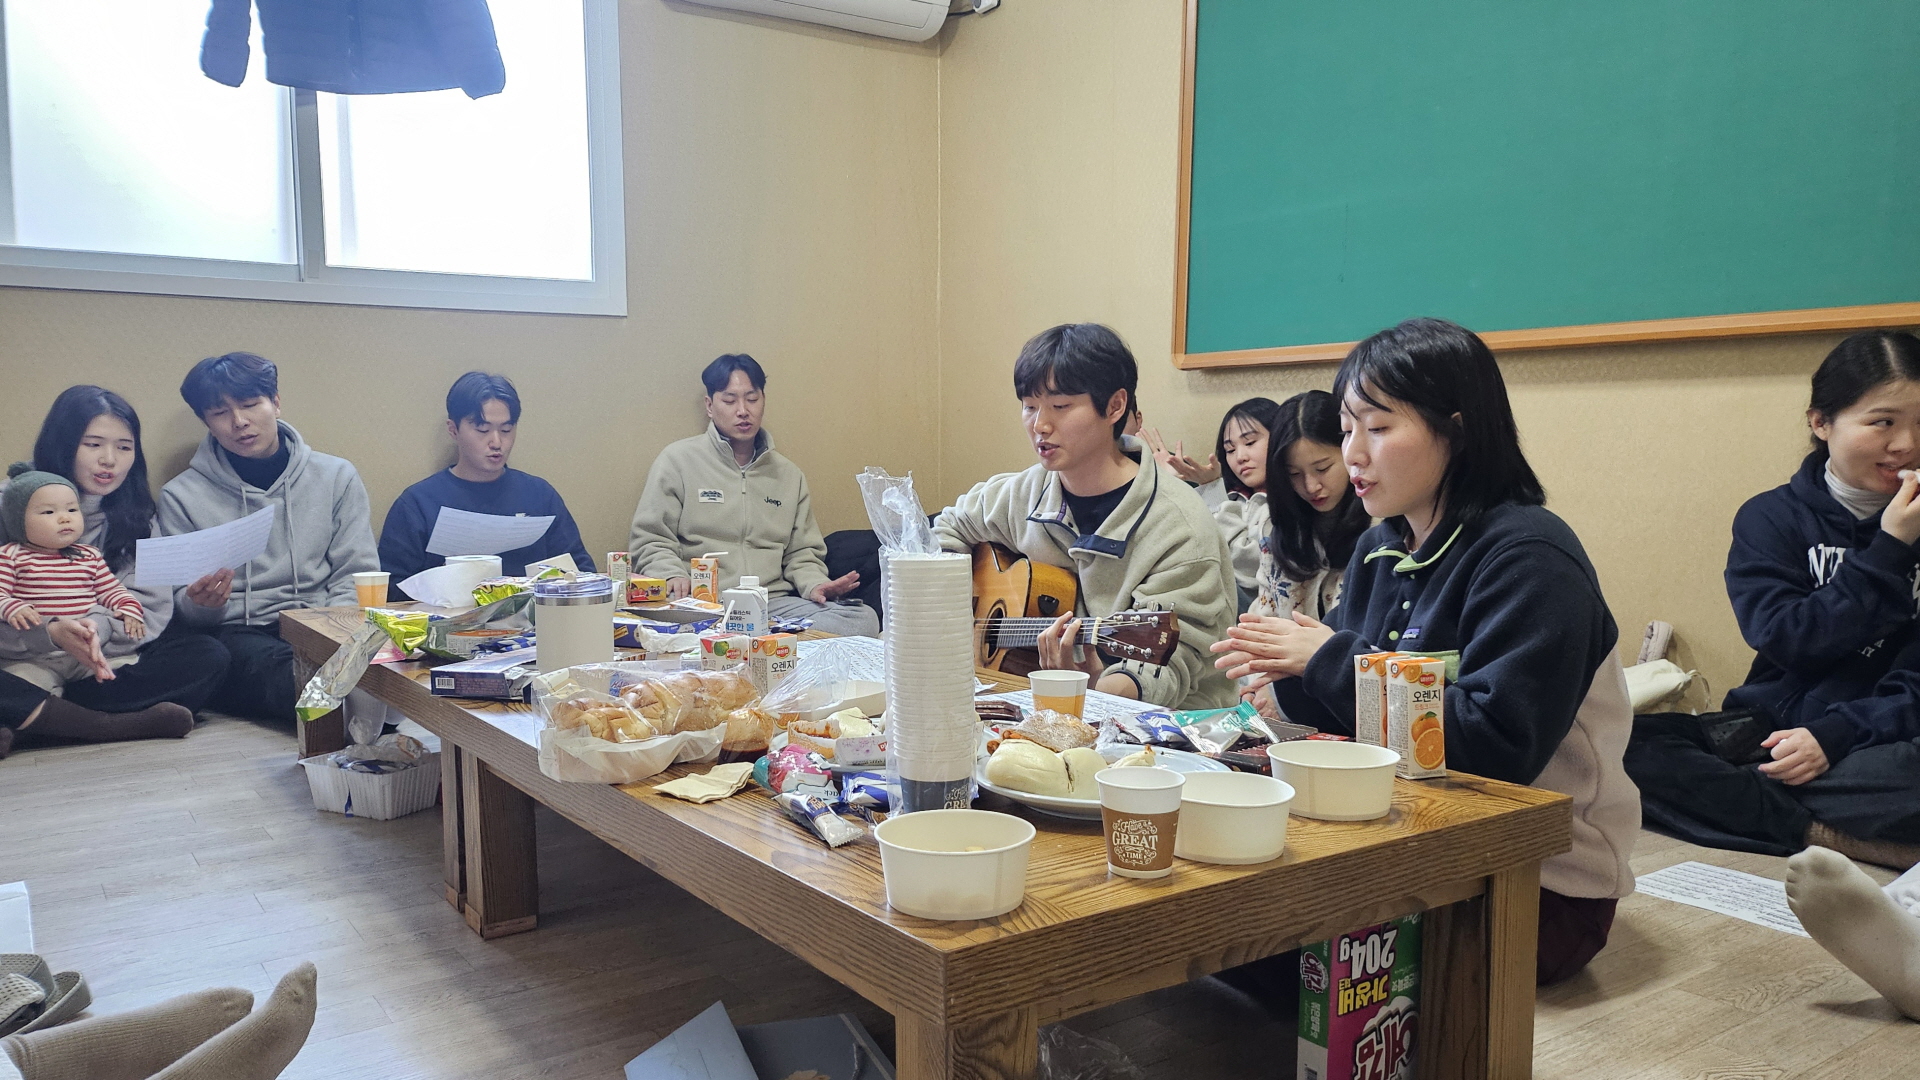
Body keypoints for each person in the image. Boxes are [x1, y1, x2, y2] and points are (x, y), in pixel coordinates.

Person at [1213, 318, 1638, 984]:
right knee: (1210, 890)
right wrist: (1287, 673)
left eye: (1378, 428)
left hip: (1536, 887)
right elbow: (1352, 709)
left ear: (1456, 430)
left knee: (1243, 946)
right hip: (1405, 842)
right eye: (1346, 429)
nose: (1354, 454)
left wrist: (1327, 660)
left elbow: (1495, 750)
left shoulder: (1531, 557)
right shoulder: (1381, 546)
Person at [1625, 330, 1920, 864]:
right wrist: (1889, 551)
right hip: (1773, 729)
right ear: (1821, 422)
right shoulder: (1772, 517)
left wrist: (1836, 735)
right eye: (1883, 422)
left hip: (1887, 735)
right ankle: (1821, 833)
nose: (1906, 445)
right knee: (1618, 746)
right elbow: (1786, 640)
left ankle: (1748, 802)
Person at [932, 323, 1237, 709]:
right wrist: (958, 616)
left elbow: (1169, 662)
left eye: (1060, 407)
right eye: (1029, 406)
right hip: (1036, 704)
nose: (1040, 425)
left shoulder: (1179, 526)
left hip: (1172, 726)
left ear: (1115, 406)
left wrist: (1092, 689)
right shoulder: (1023, 493)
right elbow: (948, 527)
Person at [0, 387, 230, 758]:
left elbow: (147, 608)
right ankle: (104, 725)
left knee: (207, 655)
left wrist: (94, 629)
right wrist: (51, 632)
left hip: (101, 665)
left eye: (124, 447)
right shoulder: (9, 505)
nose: (109, 460)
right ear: (62, 444)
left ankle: (29, 718)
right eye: (93, 445)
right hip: (18, 661)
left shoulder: (137, 514)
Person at [157, 352, 379, 724]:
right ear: (206, 422)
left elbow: (355, 573)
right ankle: (346, 712)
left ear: (275, 403)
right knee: (286, 676)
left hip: (321, 620)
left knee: (394, 658)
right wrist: (204, 604)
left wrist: (334, 634)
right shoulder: (181, 496)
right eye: (220, 413)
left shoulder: (335, 476)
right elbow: (180, 605)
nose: (239, 422)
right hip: (241, 631)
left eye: (250, 404)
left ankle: (357, 706)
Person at [628, 354, 878, 636]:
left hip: (772, 605)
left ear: (763, 401)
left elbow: (802, 553)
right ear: (710, 406)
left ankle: (750, 635)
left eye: (752, 399)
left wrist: (815, 585)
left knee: (863, 619)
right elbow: (651, 539)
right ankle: (762, 639)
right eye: (729, 400)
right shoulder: (678, 460)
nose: (743, 410)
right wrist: (671, 573)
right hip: (702, 603)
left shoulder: (788, 475)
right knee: (646, 621)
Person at [379, 372, 594, 597]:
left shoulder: (540, 496)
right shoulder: (418, 504)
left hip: (533, 618)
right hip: (445, 618)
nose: (497, 442)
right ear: (453, 430)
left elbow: (581, 574)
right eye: (483, 430)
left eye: (506, 430)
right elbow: (390, 591)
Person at [0, 466, 148, 669]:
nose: (65, 518)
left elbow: (110, 590)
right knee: (22, 679)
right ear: (17, 520)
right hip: (36, 657)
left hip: (89, 650)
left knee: (127, 668)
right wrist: (11, 607)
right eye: (49, 512)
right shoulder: (10, 556)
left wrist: (128, 607)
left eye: (72, 510)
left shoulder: (89, 555)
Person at [1147, 398, 1282, 613]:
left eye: (1249, 443)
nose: (1240, 457)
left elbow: (1247, 569)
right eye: (1230, 450)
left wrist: (1213, 491)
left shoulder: (1290, 502)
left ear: (1280, 436)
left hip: (1257, 613)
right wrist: (1170, 485)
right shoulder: (1233, 497)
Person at [1260, 390, 1371, 622]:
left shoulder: (1380, 526)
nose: (1310, 486)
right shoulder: (1275, 527)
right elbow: (1265, 616)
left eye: (1322, 469)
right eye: (1294, 473)